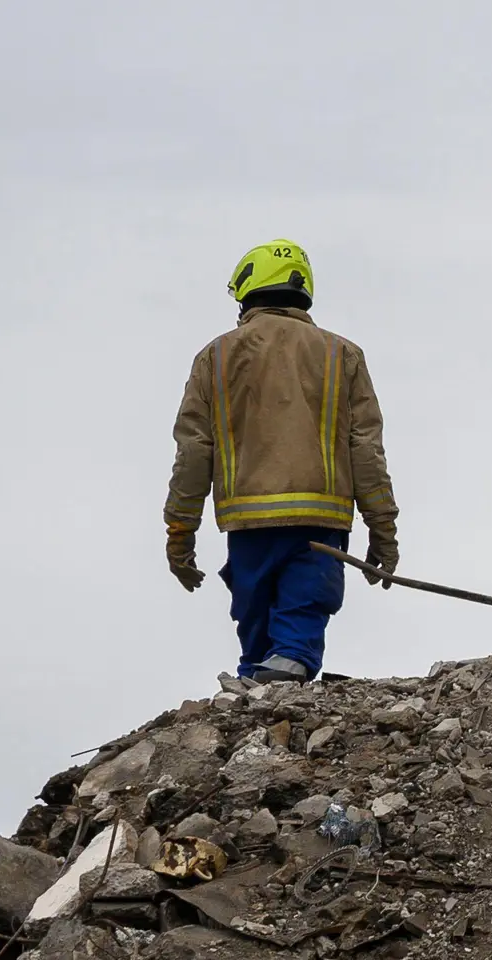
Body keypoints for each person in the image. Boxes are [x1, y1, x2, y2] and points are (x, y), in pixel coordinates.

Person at [162, 239, 399, 684]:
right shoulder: (341, 354)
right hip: (320, 516)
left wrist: (180, 532)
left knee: (255, 613)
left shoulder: (214, 357)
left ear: (249, 290)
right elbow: (366, 448)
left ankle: (262, 676)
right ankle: (281, 668)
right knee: (304, 602)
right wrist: (383, 531)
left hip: (248, 520)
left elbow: (193, 452)